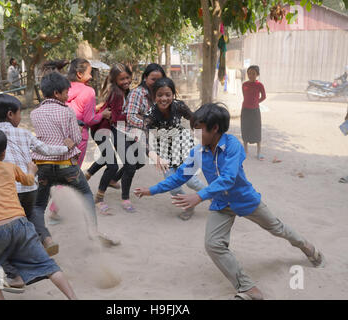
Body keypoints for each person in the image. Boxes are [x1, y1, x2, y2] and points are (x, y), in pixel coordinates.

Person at [135, 103, 325, 300]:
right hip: (221, 205)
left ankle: (306, 247)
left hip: (244, 200)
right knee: (213, 244)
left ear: (214, 128)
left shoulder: (232, 145)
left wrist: (199, 196)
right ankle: (248, 289)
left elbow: (228, 178)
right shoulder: (198, 152)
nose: (195, 135)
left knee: (278, 228)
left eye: (198, 130)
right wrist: (152, 190)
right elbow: (179, 177)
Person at [0, 128, 77, 300]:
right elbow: (27, 180)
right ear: (3, 153)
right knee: (47, 264)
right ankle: (73, 297)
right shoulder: (10, 167)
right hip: (21, 224)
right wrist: (32, 170)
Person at [30, 72, 119, 249]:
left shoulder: (35, 113)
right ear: (57, 93)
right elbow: (76, 138)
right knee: (85, 193)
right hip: (66, 166)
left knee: (39, 205)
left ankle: (45, 238)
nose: (67, 96)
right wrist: (70, 140)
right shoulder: (67, 111)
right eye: (65, 93)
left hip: (43, 167)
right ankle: (93, 232)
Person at [0, 93, 75, 260]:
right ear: (10, 114)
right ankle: (47, 239)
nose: (20, 117)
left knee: (9, 220)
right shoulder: (24, 134)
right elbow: (47, 150)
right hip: (29, 185)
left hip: (6, 189)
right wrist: (67, 148)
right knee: (33, 212)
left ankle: (17, 253)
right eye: (19, 113)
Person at [142, 77, 206, 220]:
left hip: (183, 147)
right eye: (160, 95)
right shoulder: (150, 115)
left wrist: (203, 137)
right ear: (154, 96)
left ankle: (214, 195)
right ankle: (188, 205)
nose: (164, 98)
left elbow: (195, 120)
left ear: (173, 94)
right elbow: (145, 141)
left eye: (168, 95)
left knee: (191, 181)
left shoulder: (179, 106)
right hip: (163, 153)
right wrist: (156, 157)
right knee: (173, 186)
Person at [84, 63, 133, 215]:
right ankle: (99, 198)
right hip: (101, 130)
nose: (125, 81)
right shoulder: (117, 93)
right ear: (115, 80)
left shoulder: (122, 91)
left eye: (127, 77)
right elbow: (117, 117)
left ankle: (87, 174)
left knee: (108, 158)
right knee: (112, 166)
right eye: (121, 79)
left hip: (104, 129)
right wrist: (133, 116)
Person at [120, 63, 166, 212]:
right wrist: (150, 123)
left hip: (142, 134)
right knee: (131, 165)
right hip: (126, 133)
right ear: (145, 78)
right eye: (153, 79)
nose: (156, 82)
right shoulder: (137, 93)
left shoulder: (159, 94)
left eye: (159, 79)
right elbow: (131, 117)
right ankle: (125, 198)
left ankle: (113, 179)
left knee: (139, 163)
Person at [240, 65, 266, 160]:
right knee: (245, 128)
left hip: (255, 110)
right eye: (249, 73)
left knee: (256, 129)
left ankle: (259, 152)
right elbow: (245, 96)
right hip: (245, 110)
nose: (251, 75)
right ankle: (245, 150)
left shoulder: (260, 85)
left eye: (253, 73)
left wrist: (256, 102)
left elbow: (263, 97)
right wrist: (250, 102)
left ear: (257, 74)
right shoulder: (244, 85)